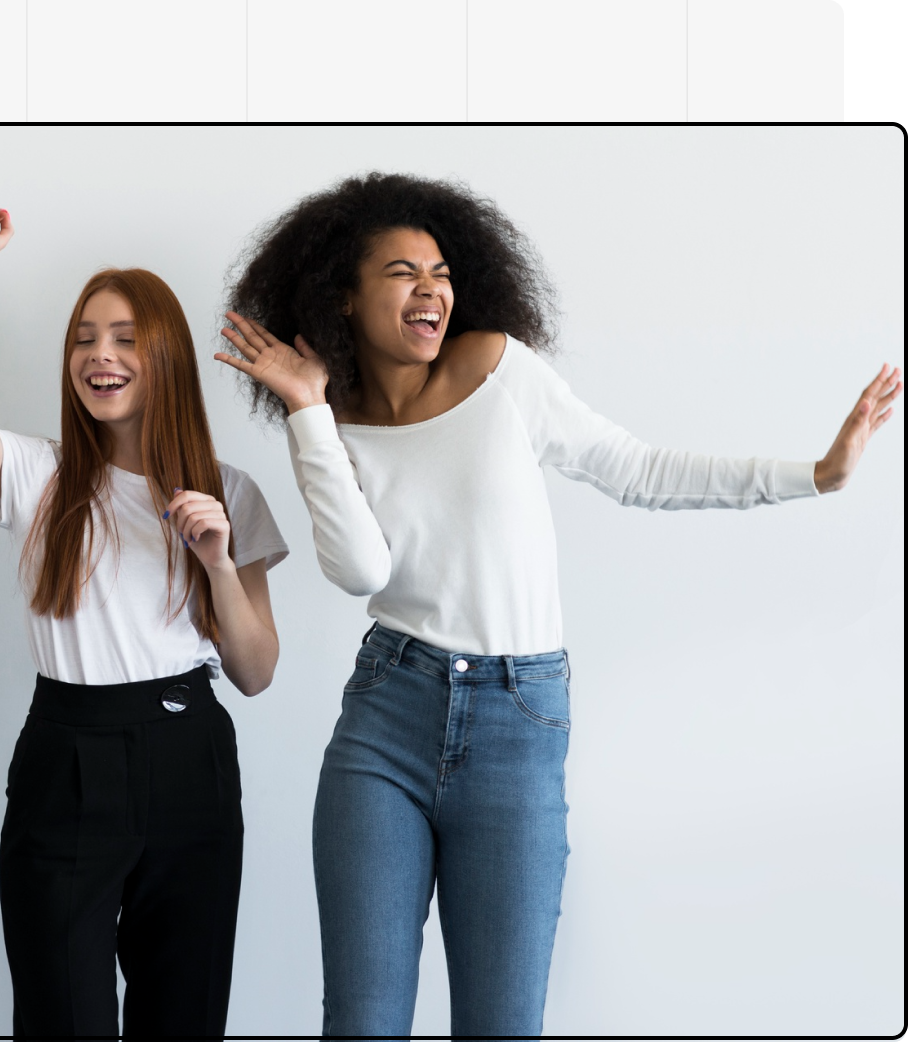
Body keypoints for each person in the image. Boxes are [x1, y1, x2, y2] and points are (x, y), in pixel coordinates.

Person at [215, 172, 901, 1039]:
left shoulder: (496, 366)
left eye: (440, 272)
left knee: (503, 1025)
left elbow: (639, 470)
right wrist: (307, 409)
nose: (431, 289)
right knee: (361, 1023)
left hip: (517, 718)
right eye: (400, 272)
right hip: (386, 717)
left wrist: (815, 475)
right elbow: (360, 571)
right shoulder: (329, 419)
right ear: (343, 300)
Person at [0, 201, 288, 1037]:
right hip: (66, 753)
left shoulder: (231, 493)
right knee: (63, 1019)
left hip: (189, 756)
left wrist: (218, 563)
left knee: (182, 1018)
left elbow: (258, 673)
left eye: (124, 338)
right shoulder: (38, 474)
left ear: (165, 358)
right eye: (84, 338)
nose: (100, 355)